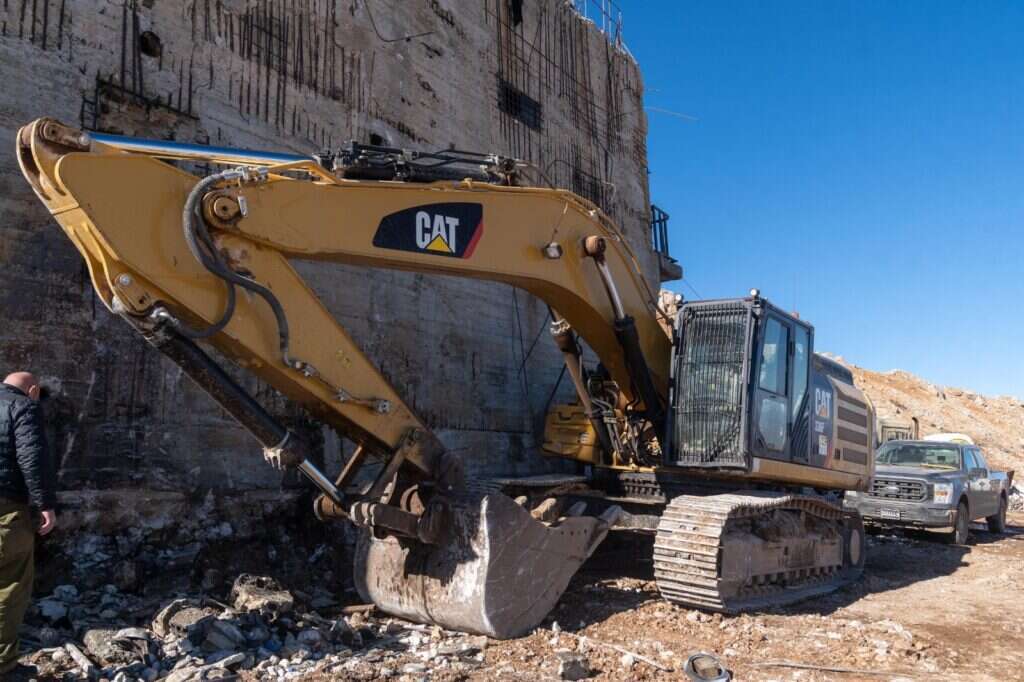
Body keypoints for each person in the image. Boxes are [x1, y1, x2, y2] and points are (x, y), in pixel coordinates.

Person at [0, 371, 57, 674]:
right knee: (9, 586)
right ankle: (4, 668)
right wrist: (46, 504)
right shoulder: (23, 407)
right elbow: (32, 457)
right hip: (6, 510)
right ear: (33, 390)